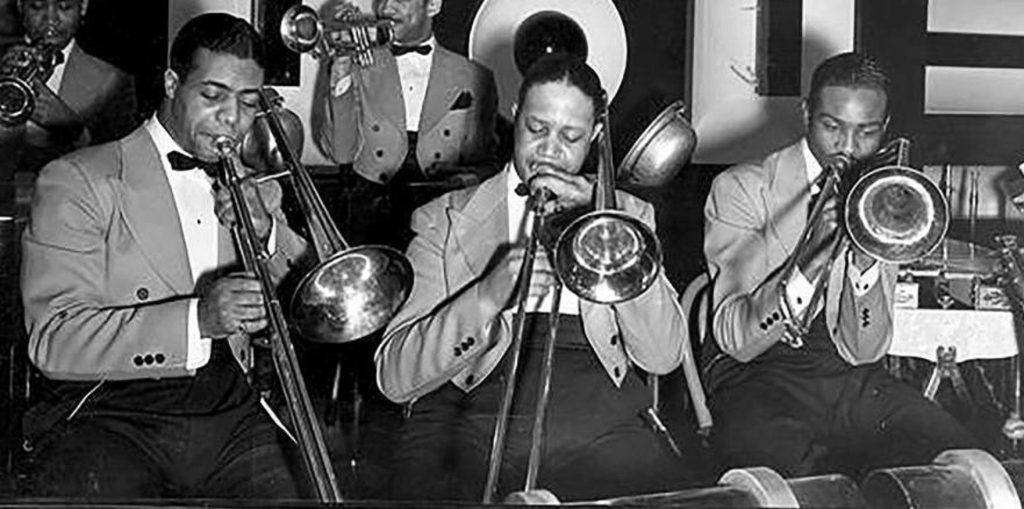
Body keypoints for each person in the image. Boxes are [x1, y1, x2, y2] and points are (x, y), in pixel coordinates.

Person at [375, 54, 697, 502]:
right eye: (536, 129)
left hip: (598, 409)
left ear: (596, 135)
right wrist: (485, 298)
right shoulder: (443, 220)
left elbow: (662, 357)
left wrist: (610, 229)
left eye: (570, 137)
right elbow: (395, 378)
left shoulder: (630, 217)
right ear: (514, 114)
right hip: (470, 409)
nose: (549, 150)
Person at [20, 13, 310, 499]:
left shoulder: (253, 187)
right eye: (212, 96)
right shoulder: (78, 180)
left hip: (228, 403)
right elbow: (53, 340)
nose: (231, 120)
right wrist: (199, 319)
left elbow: (312, 296)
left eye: (247, 102)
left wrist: (266, 234)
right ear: (172, 83)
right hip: (110, 406)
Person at [701, 51, 978, 478]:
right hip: (753, 373)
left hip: (846, 373)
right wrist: (810, 259)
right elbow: (735, 339)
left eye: (866, 132)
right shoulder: (741, 188)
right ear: (807, 113)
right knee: (813, 477)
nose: (848, 148)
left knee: (959, 462)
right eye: (832, 127)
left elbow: (866, 349)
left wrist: (867, 261)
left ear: (884, 128)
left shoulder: (883, 194)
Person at [315, 0, 498, 249]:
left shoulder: (476, 77)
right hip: (368, 215)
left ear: (432, 5)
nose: (386, 8)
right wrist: (341, 68)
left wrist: (459, 183)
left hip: (440, 212)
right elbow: (341, 152)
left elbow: (484, 163)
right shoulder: (358, 66)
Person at [0, 0, 137, 182]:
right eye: (37, 7)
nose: (50, 20)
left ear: (83, 7)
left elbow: (124, 168)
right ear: (20, 7)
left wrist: (73, 129)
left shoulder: (113, 81)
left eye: (64, 7)